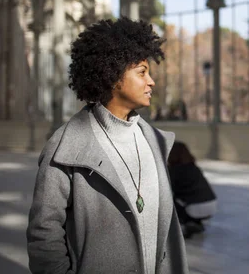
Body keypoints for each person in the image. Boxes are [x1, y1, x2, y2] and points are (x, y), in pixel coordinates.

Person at [26, 18, 188, 274]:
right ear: (114, 77)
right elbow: (44, 233)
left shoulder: (156, 142)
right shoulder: (64, 148)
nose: (151, 82)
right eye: (142, 72)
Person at [168, 141, 217, 239]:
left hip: (194, 208)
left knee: (168, 200)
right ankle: (195, 223)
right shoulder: (194, 167)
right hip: (212, 204)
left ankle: (186, 224)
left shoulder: (173, 171)